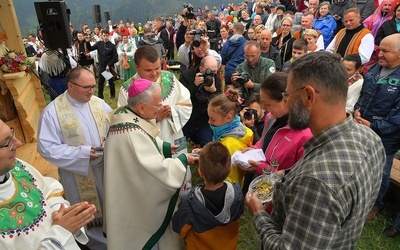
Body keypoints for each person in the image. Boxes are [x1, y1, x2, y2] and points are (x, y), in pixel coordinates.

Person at [246, 52, 386, 249]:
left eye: (287, 95)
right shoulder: (370, 138)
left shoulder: (316, 182)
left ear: (308, 95)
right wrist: (285, 174)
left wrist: (260, 214)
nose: (285, 101)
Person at [104, 78, 198, 249]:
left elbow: (146, 143)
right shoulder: (130, 132)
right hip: (135, 199)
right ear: (141, 107)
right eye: (158, 104)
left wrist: (166, 147)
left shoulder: (127, 114)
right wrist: (183, 160)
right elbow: (157, 170)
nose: (161, 107)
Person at [37, 67, 110, 250]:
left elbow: (113, 126)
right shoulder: (52, 112)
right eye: (87, 87)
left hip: (105, 167)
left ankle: (114, 236)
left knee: (109, 205)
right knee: (88, 213)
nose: (92, 91)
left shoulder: (99, 103)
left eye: (93, 86)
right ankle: (96, 245)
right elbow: (47, 148)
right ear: (70, 85)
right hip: (78, 173)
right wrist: (83, 153)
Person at [0, 119, 97, 249]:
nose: (18, 143)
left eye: (12, 134)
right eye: (6, 142)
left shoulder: (17, 166)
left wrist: (58, 210)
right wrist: (61, 232)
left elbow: (47, 189)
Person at [118, 45, 193, 195]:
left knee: (180, 182)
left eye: (157, 68)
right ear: (137, 66)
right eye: (148, 70)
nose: (154, 74)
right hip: (148, 143)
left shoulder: (169, 78)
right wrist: (154, 119)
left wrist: (173, 111)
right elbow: (125, 123)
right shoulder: (127, 90)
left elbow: (186, 102)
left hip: (173, 135)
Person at [240, 72, 312, 194]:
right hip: (263, 185)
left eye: (268, 104)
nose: (265, 109)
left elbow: (293, 176)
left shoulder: (305, 136)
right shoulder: (270, 117)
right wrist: (254, 149)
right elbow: (265, 139)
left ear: (285, 100)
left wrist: (261, 167)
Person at [354, 34, 400, 221]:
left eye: (385, 51)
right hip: (362, 126)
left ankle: (375, 204)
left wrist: (374, 125)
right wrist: (357, 110)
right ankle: (358, 196)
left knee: (381, 171)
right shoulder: (375, 68)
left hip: (386, 136)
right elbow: (363, 92)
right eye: (379, 49)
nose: (379, 54)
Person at [172, 141, 244, 249]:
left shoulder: (189, 203)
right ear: (230, 169)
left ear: (200, 172)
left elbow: (177, 226)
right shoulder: (238, 194)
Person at [207, 88, 254, 185]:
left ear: (228, 118)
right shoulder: (240, 129)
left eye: (213, 119)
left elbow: (228, 179)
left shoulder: (227, 146)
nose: (209, 122)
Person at [180, 56, 221, 147]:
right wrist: (194, 85)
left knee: (209, 147)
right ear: (200, 68)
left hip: (204, 119)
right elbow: (181, 98)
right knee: (178, 148)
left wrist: (213, 91)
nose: (211, 74)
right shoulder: (187, 75)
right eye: (208, 71)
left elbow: (220, 104)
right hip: (186, 118)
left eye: (214, 71)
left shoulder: (216, 79)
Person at [87, 29, 118, 99]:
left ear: (109, 36)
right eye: (104, 36)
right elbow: (90, 48)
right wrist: (87, 41)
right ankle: (100, 96)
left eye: (107, 36)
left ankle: (112, 95)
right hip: (101, 66)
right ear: (101, 36)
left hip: (108, 67)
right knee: (100, 82)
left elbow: (115, 58)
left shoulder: (112, 46)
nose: (105, 37)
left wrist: (109, 65)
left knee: (110, 82)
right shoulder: (99, 44)